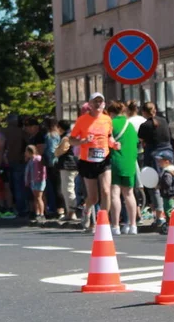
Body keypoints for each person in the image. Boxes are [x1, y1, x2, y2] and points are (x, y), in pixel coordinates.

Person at [69, 92, 118, 231]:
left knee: (106, 191)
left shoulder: (107, 119)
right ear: (89, 104)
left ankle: (103, 222)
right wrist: (83, 141)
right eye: (95, 102)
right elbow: (71, 140)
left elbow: (110, 137)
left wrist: (114, 144)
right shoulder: (82, 120)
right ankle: (87, 208)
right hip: (87, 160)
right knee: (93, 197)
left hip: (104, 158)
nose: (98, 104)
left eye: (100, 102)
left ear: (104, 104)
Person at [138, 101, 173, 229]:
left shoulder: (144, 126)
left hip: (154, 156)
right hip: (169, 153)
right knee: (169, 183)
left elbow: (142, 141)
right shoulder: (164, 121)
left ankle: (159, 217)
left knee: (155, 185)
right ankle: (170, 213)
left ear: (144, 112)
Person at [108, 101, 140, 236]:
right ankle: (133, 225)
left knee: (115, 193)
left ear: (111, 113)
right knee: (129, 193)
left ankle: (115, 226)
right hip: (130, 162)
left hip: (115, 161)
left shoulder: (111, 124)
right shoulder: (131, 125)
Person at [55, 119, 80, 222]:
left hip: (68, 165)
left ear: (60, 127)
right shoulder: (73, 134)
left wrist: (56, 151)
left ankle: (71, 212)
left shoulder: (66, 137)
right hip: (74, 164)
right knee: (68, 188)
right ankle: (70, 211)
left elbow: (61, 151)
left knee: (68, 189)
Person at [24, 144, 47, 221]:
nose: (25, 153)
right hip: (33, 181)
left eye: (26, 152)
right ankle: (37, 213)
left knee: (39, 197)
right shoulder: (31, 160)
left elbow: (42, 170)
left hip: (39, 180)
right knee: (35, 198)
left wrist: (40, 178)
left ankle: (42, 214)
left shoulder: (38, 159)